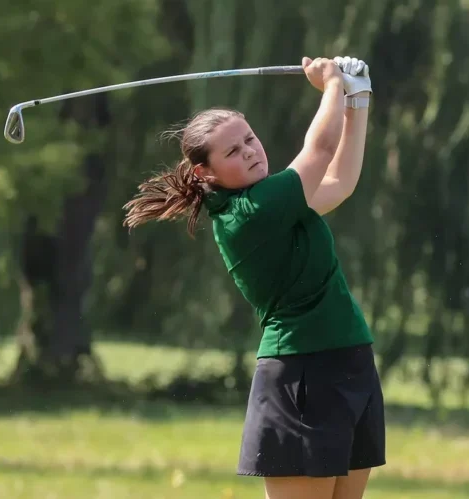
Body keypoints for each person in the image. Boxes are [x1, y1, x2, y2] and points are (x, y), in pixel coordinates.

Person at [123, 56, 385, 499]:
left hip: (350, 361)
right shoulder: (248, 213)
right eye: (232, 151)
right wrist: (331, 86)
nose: (249, 151)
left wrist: (356, 99)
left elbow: (339, 180)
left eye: (249, 139)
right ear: (205, 172)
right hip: (302, 373)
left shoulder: (277, 199)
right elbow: (320, 152)